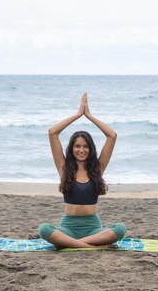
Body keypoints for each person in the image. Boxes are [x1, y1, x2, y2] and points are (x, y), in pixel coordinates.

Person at [37, 92, 127, 249]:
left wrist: (89, 116)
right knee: (44, 229)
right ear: (71, 148)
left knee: (120, 228)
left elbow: (112, 136)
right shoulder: (64, 168)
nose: (81, 150)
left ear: (90, 149)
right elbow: (53, 132)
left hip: (93, 228)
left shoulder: (97, 168)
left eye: (85, 146)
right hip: (68, 228)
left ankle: (73, 245)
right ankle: (92, 246)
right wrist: (78, 114)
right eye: (77, 146)